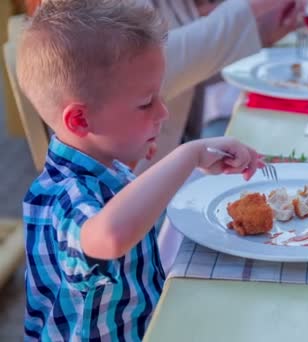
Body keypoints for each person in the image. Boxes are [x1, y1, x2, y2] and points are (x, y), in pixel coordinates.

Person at [16, 0, 263, 340]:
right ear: (80, 120)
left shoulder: (104, 166)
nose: (162, 112)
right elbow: (110, 237)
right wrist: (186, 156)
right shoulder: (63, 195)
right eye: (146, 102)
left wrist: (184, 160)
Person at [135, 0, 299, 173]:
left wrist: (261, 34)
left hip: (179, 153)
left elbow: (190, 72)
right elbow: (152, 70)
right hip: (139, 177)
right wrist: (249, 7)